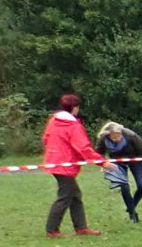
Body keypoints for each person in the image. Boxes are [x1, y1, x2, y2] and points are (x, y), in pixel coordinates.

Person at [41, 93, 115, 237]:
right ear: (75, 108)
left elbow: (45, 139)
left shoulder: (53, 121)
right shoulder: (74, 126)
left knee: (75, 195)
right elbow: (83, 147)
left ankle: (81, 227)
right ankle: (52, 230)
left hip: (54, 162)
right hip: (65, 165)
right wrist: (102, 162)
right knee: (65, 196)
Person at [94, 120, 142, 224]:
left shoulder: (130, 135)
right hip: (117, 162)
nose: (117, 138)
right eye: (114, 137)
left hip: (135, 160)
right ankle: (132, 214)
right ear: (108, 135)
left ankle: (131, 206)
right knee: (124, 187)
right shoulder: (103, 139)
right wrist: (103, 163)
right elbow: (98, 153)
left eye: (119, 135)